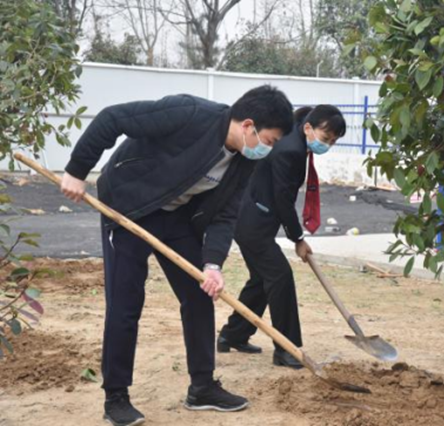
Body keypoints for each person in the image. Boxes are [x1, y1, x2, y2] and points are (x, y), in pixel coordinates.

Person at [60, 85, 294, 426]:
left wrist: (212, 265)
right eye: (269, 141)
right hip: (128, 207)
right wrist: (76, 171)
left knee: (199, 295)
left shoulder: (244, 160)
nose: (267, 150)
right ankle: (116, 396)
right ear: (248, 126)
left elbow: (226, 215)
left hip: (176, 216)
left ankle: (202, 387)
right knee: (126, 302)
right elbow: (112, 118)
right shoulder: (190, 114)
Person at [218, 105, 346, 369]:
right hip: (252, 223)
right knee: (280, 277)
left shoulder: (295, 135)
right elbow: (283, 201)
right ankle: (287, 349)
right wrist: (298, 239)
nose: (327, 145)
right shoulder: (291, 151)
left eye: (333, 142)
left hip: (253, 217)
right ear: (308, 128)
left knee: (262, 280)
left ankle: (233, 335)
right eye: (325, 138)